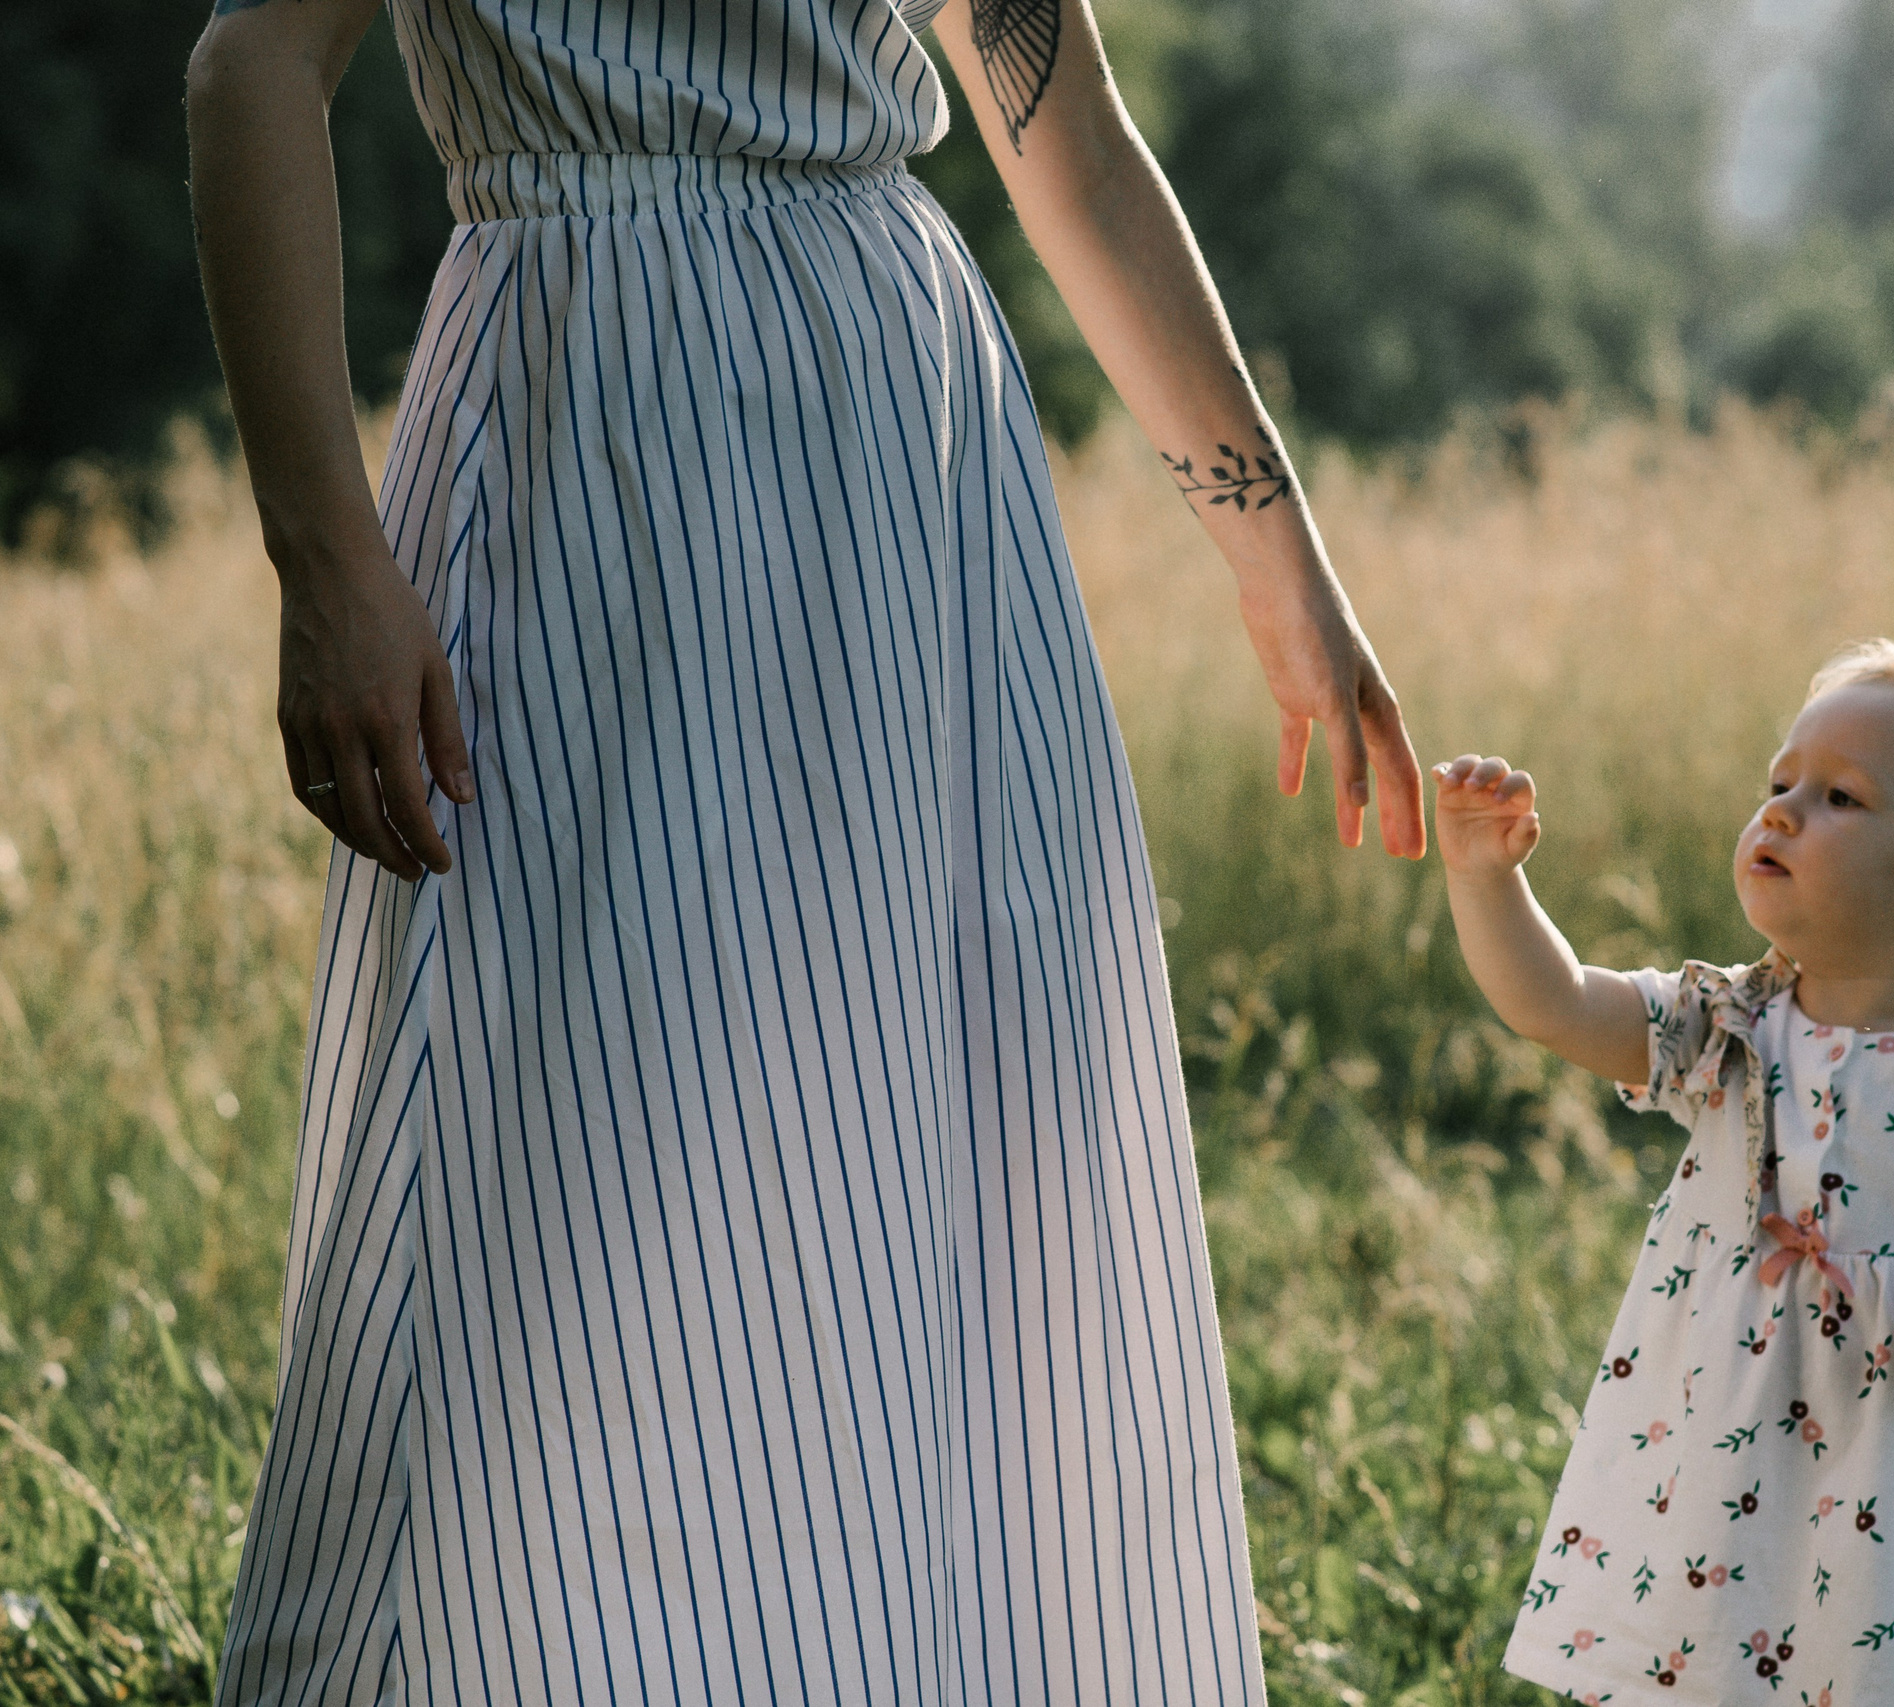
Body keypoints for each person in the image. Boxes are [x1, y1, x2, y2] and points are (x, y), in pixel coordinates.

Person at [184, 0, 1423, 1700]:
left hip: (900, 451)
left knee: (931, 1181)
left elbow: (1065, 134)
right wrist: (325, 559)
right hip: (583, 415)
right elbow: (253, 61)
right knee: (556, 1179)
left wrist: (1280, 560)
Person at [1430, 639, 1894, 1701]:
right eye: (1779, 783)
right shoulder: (1726, 1027)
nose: (1780, 812)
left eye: (1839, 797)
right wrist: (1487, 878)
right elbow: (1553, 1004)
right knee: (1730, 1650)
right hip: (1741, 1451)